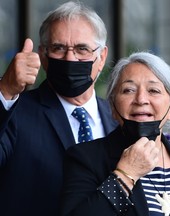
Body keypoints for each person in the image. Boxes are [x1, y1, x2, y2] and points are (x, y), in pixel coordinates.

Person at [61, 51, 170, 216]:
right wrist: (126, 175)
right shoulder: (86, 158)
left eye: (154, 90)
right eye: (129, 90)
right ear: (112, 107)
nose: (141, 99)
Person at [0, 1, 118, 216]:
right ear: (43, 56)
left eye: (82, 49)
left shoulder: (119, 119)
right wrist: (5, 90)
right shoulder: (15, 112)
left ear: (101, 57)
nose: (70, 58)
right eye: (59, 48)